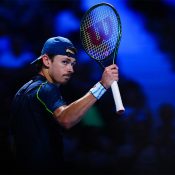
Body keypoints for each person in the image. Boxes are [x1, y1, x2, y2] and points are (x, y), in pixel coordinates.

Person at [10, 36, 119, 174]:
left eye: (72, 64)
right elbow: (66, 119)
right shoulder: (45, 89)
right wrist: (102, 86)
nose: (71, 69)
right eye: (65, 62)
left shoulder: (23, 90)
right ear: (46, 60)